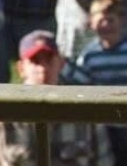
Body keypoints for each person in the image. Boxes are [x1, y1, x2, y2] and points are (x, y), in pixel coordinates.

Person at [0, 30, 114, 166]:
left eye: (49, 59)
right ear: (21, 68)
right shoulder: (5, 112)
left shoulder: (85, 109)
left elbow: (104, 161)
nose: (43, 69)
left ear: (61, 63)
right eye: (35, 61)